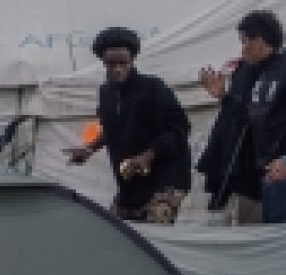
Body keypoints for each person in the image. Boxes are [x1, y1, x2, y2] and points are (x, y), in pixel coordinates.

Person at [195, 9, 286, 223]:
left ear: (261, 40)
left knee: (284, 244)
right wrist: (224, 98)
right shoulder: (258, 73)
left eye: (246, 41)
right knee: (272, 244)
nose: (243, 48)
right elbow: (252, 117)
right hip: (270, 172)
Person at [65, 26, 191, 223]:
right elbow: (111, 129)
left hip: (166, 179)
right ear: (103, 63)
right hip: (130, 183)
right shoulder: (105, 93)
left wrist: (148, 155)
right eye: (111, 64)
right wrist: (88, 150)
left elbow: (179, 128)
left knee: (153, 235)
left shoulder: (153, 87)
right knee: (121, 236)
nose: (117, 69)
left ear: (132, 60)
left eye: (123, 63)